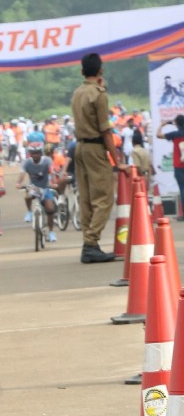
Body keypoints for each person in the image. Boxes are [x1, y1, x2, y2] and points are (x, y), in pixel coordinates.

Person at [72, 52, 126, 261]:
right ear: (100, 71)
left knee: (86, 198)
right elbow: (105, 130)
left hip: (79, 147)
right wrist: (117, 161)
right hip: (95, 148)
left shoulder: (78, 92)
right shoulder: (99, 94)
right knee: (103, 197)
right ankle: (91, 242)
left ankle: (89, 242)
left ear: (82, 71)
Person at [17, 133, 58, 243]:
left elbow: (52, 172)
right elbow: (22, 174)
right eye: (33, 153)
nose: (35, 155)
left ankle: (51, 232)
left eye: (37, 153)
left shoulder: (47, 160)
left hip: (45, 188)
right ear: (30, 153)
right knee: (26, 192)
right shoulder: (26, 162)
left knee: (50, 209)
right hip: (34, 188)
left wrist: (53, 182)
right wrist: (19, 183)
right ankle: (29, 211)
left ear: (41, 153)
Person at [155, 113, 184, 221]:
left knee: (182, 189)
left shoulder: (175, 134)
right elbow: (178, 122)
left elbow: (158, 135)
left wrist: (162, 125)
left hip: (179, 166)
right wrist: (173, 122)